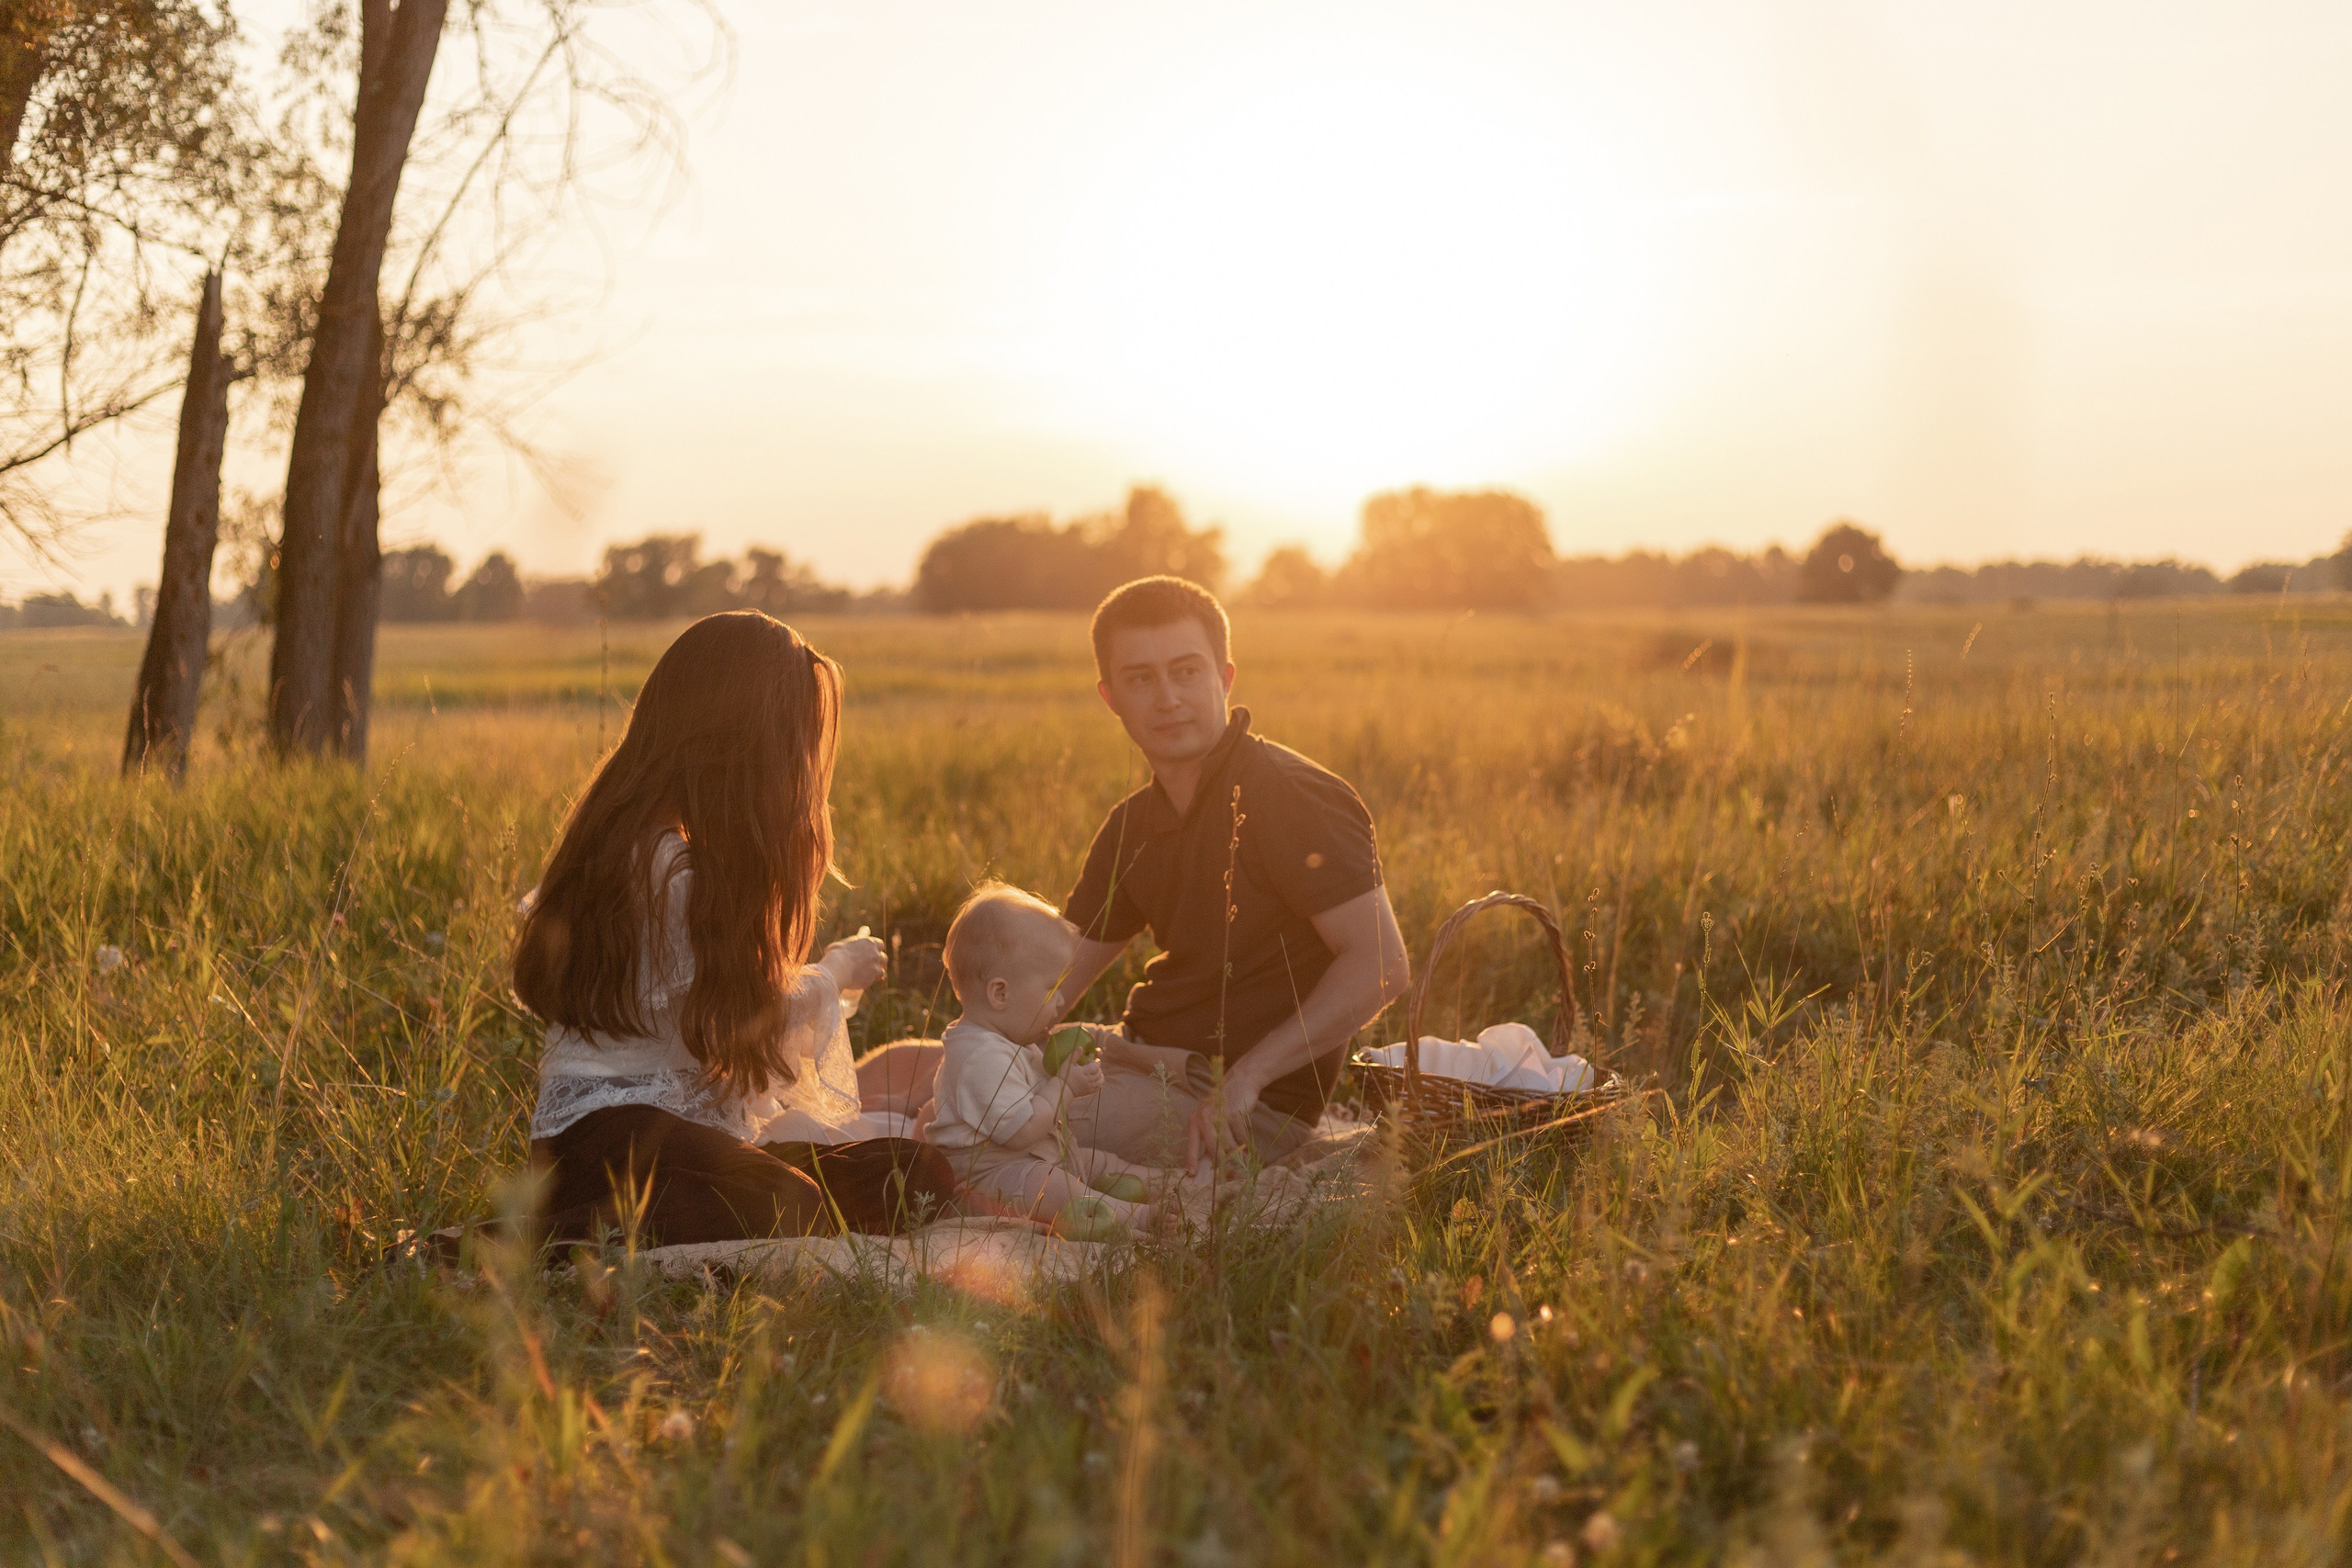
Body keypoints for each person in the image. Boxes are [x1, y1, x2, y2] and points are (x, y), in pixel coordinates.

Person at [513, 611, 954, 1247]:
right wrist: (831, 974)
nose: (798, 771)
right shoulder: (661, 866)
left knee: (909, 1173)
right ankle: (519, 1241)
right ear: (742, 744)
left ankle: (652, 1218)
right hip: (604, 1140)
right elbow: (736, 1025)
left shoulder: (644, 843)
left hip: (670, 1132)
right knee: (786, 1203)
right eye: (791, 745)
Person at [1058, 577, 1412, 1171]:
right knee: (929, 1071)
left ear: (1224, 677)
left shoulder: (1289, 794)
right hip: (1138, 1056)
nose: (1167, 697)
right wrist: (983, 1046)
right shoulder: (1132, 825)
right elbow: (1054, 981)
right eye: (1141, 678)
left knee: (1007, 1123)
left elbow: (1381, 965)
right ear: (1110, 696)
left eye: (1186, 671)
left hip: (1244, 1102)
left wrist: (1248, 1078)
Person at [925, 885, 1170, 1237]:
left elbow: (1037, 1098)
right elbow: (1021, 1131)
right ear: (1000, 993)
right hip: (984, 1180)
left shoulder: (1008, 1041)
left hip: (1028, 1159)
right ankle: (1139, 1218)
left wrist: (1071, 1076)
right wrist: (1065, 1086)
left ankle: (1164, 1182)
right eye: (1052, 989)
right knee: (1051, 1186)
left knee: (1090, 1159)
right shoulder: (980, 1058)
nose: (1061, 1002)